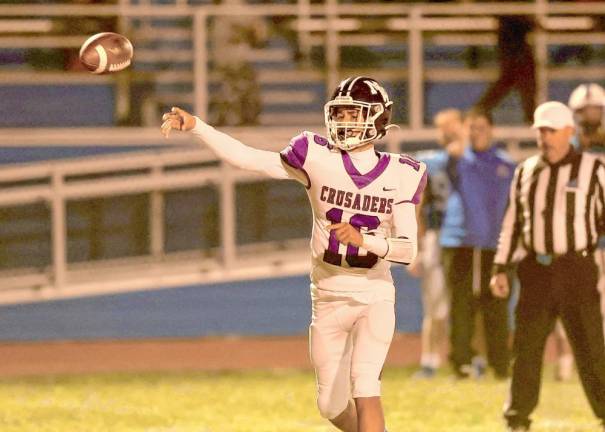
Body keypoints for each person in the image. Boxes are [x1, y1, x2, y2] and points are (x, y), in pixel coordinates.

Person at [160, 76, 427, 432]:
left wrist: (366, 241)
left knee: (366, 386)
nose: (345, 123)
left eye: (354, 114)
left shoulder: (402, 172)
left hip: (374, 293)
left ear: (377, 118)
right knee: (330, 406)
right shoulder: (316, 156)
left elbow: (409, 250)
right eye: (341, 114)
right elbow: (250, 159)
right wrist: (198, 127)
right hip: (327, 297)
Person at [490, 101, 605, 432]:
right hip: (536, 271)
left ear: (569, 131)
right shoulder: (525, 170)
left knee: (591, 350)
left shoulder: (593, 170)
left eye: (551, 130)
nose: (544, 137)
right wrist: (500, 267)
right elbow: (512, 222)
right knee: (526, 350)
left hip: (577, 269)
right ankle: (518, 420)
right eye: (540, 130)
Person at [440, 109, 515, 379]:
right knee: (460, 305)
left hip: (495, 245)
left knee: (495, 306)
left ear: (492, 130)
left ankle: (500, 365)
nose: (476, 133)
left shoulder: (506, 165)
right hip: (460, 242)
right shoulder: (456, 160)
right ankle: (461, 363)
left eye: (481, 127)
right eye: (471, 127)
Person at [408, 108, 465, 378]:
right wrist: (417, 248)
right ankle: (430, 360)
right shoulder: (431, 163)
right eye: (444, 129)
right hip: (437, 234)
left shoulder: (476, 162)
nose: (449, 134)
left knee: (469, 303)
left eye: (453, 128)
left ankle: (470, 359)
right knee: (435, 304)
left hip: (468, 238)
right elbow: (418, 207)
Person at [475, 15, 536, 123]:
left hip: (511, 29)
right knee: (517, 76)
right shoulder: (519, 63)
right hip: (510, 27)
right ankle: (530, 117)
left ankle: (530, 117)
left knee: (516, 77)